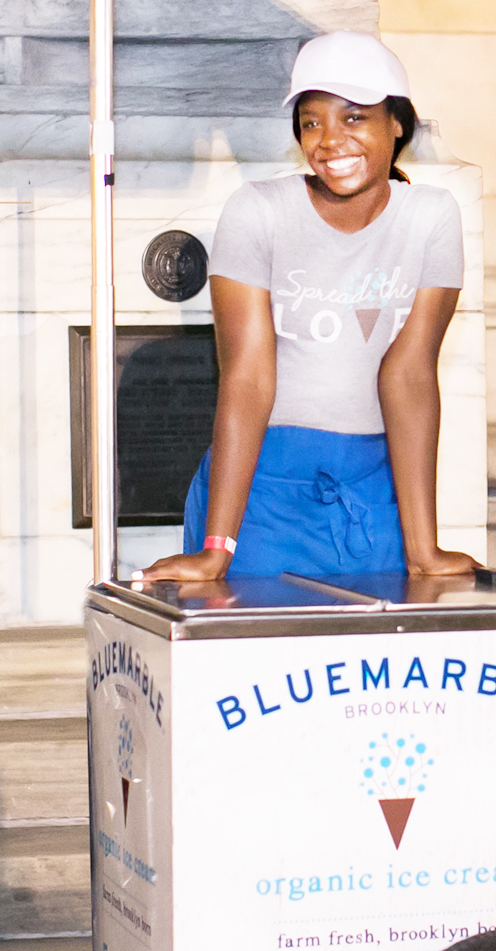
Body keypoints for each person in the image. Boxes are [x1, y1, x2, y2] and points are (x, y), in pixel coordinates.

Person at [132, 30, 477, 585]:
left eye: (354, 117)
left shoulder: (431, 216)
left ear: (397, 123)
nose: (329, 140)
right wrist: (218, 548)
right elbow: (246, 377)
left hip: (371, 497)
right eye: (311, 121)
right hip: (262, 495)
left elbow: (409, 374)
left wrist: (423, 551)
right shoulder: (258, 211)